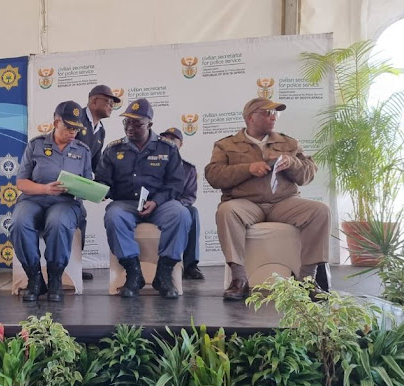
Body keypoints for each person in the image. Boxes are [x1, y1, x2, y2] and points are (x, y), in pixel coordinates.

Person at [205, 97, 331, 301]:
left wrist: (292, 163)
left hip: (283, 203)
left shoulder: (289, 143)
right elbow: (214, 176)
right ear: (250, 118)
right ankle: (239, 279)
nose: (273, 117)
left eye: (275, 113)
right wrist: (247, 169)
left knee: (320, 210)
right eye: (267, 113)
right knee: (226, 211)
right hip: (246, 203)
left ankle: (307, 279)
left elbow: (307, 175)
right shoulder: (226, 145)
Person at [96, 99, 191, 299]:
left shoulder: (168, 149)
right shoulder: (113, 150)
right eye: (126, 123)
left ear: (150, 124)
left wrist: (156, 201)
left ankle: (164, 274)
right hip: (126, 203)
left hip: (160, 203)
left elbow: (175, 183)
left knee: (181, 214)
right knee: (113, 215)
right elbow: (104, 182)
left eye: (137, 123)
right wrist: (97, 190)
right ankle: (133, 273)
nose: (130, 127)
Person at [10, 100, 92, 302]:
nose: (73, 132)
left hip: (65, 202)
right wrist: (45, 188)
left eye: (76, 128)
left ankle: (55, 278)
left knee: (57, 222)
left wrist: (84, 190)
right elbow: (21, 182)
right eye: (69, 127)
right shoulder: (36, 145)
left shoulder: (83, 150)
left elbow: (87, 183)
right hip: (34, 198)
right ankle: (35, 278)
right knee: (19, 223)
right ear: (56, 123)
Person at [76, 84, 121, 281]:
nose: (111, 106)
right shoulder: (76, 119)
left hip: (79, 185)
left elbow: (97, 164)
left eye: (113, 103)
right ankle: (65, 267)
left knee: (80, 219)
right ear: (94, 101)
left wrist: (104, 186)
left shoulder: (100, 130)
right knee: (79, 217)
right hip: (64, 182)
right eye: (108, 102)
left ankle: (74, 266)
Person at [159, 127, 204, 280]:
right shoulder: (153, 163)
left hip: (177, 207)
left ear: (181, 144)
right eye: (165, 139)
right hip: (154, 208)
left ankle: (191, 265)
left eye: (173, 140)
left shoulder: (188, 169)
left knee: (192, 212)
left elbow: (189, 196)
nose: (169, 142)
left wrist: (174, 205)